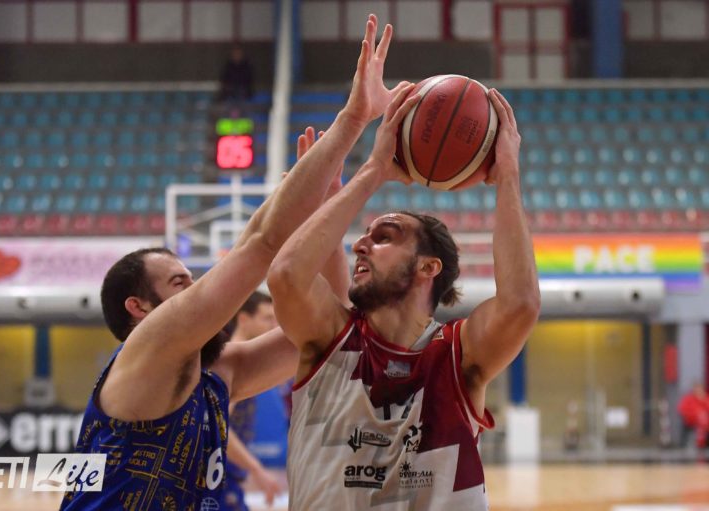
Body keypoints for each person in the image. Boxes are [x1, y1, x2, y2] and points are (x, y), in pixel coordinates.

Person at [60, 14, 402, 510]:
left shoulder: (218, 376)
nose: (198, 290)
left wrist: (328, 208)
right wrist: (353, 121)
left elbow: (331, 331)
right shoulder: (148, 348)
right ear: (139, 308)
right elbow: (260, 244)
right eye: (180, 284)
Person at [268, 86, 540, 509]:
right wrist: (373, 170)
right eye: (364, 237)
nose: (360, 245)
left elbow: (520, 304)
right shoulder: (332, 340)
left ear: (428, 267)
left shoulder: (457, 354)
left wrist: (507, 175)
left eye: (384, 237)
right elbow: (286, 276)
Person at [221, 292, 282, 510]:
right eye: (267, 318)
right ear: (244, 319)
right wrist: (257, 469)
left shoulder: (248, 360)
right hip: (218, 475)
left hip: (229, 474)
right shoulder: (230, 361)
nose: (274, 326)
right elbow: (219, 426)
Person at [678, 382, 709, 450]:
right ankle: (683, 448)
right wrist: (694, 416)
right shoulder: (688, 399)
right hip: (691, 422)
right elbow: (681, 410)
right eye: (697, 389)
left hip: (705, 424)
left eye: (700, 389)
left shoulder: (706, 398)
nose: (698, 391)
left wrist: (703, 400)